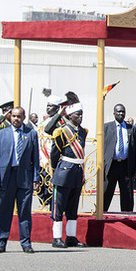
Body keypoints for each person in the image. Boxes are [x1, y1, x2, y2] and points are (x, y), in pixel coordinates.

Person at [0, 107, 40, 253]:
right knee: (3, 210)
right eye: (13, 116)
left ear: (24, 117)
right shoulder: (1, 134)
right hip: (7, 177)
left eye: (19, 116)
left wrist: (36, 178)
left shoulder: (31, 134)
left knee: (24, 211)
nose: (16, 119)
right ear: (9, 117)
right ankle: (0, 242)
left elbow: (35, 159)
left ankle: (26, 243)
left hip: (24, 177)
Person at [46, 103, 88, 248]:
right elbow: (55, 153)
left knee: (73, 206)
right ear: (70, 116)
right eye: (77, 114)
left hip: (77, 171)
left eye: (82, 114)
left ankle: (71, 237)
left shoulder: (83, 132)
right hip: (64, 170)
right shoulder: (62, 131)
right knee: (59, 206)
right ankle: (56, 237)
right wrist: (54, 169)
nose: (80, 117)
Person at [102, 103, 136, 212]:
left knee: (127, 194)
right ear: (114, 113)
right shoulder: (106, 128)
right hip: (111, 165)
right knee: (106, 192)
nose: (121, 114)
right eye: (118, 111)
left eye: (123, 112)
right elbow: (101, 149)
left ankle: (127, 215)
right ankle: (102, 214)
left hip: (126, 165)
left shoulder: (132, 129)